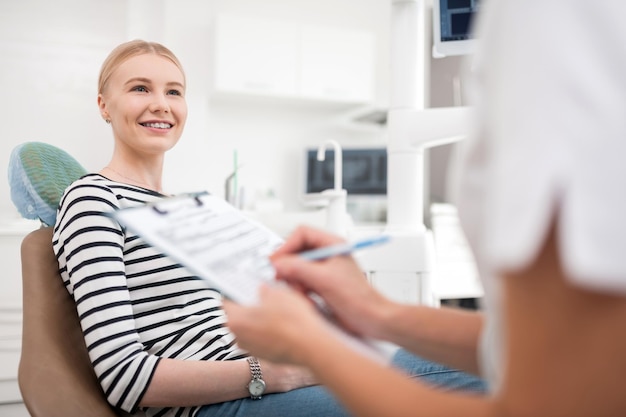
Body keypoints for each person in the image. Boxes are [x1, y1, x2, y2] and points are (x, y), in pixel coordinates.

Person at [223, 1, 626, 417]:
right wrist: (375, 311)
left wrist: (313, 345)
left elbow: (557, 399)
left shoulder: (555, 20)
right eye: (144, 88)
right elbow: (547, 349)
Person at [52, 39, 483, 417]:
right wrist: (272, 374)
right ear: (103, 105)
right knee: (484, 381)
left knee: (483, 370)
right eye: (140, 88)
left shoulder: (186, 209)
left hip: (272, 366)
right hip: (219, 401)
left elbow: (214, 318)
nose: (161, 103)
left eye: (174, 91)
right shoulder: (94, 199)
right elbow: (125, 378)